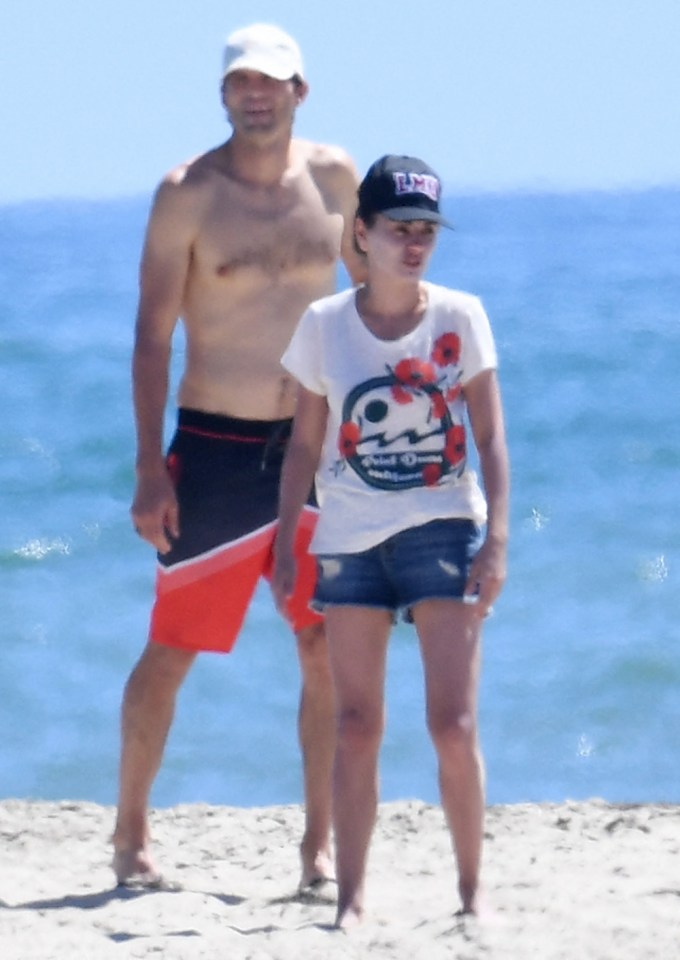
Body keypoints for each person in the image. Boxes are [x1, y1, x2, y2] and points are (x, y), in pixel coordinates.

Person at [112, 23, 367, 891]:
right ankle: (130, 836)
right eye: (240, 82)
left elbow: (375, 309)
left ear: (302, 90)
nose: (256, 95)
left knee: (324, 645)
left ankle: (318, 848)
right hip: (215, 447)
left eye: (273, 81)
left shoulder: (335, 180)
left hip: (314, 447)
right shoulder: (186, 194)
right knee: (172, 648)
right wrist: (150, 467)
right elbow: (151, 338)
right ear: (224, 94)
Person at [272, 155, 509, 926]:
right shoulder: (324, 325)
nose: (414, 244)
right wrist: (285, 542)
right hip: (348, 537)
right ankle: (352, 899)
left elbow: (491, 438)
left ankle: (472, 897)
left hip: (443, 526)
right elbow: (304, 448)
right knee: (355, 723)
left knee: (452, 722)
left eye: (426, 231)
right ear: (360, 235)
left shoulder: (460, 318)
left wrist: (498, 536)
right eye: (398, 229)